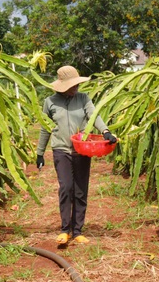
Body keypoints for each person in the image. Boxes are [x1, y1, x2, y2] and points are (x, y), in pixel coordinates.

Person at [36, 66, 117, 245]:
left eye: (76, 85)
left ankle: (78, 230)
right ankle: (65, 230)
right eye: (72, 86)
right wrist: (40, 153)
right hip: (61, 150)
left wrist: (105, 131)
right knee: (66, 188)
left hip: (82, 149)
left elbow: (94, 115)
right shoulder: (50, 102)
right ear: (62, 86)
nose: (76, 88)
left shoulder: (83, 98)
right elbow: (45, 127)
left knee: (80, 190)